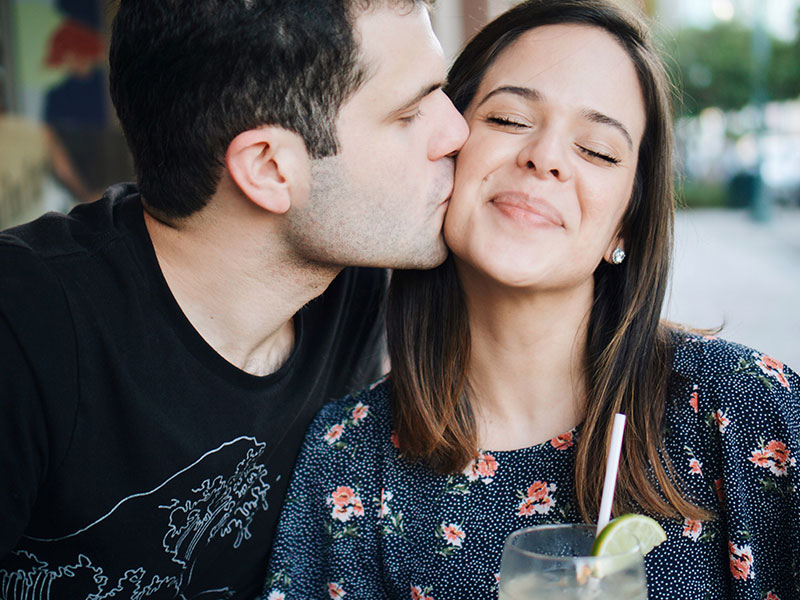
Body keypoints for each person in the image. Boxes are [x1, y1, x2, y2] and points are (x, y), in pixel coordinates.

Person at [263, 0, 800, 598]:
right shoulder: (345, 460)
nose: (544, 157)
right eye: (510, 119)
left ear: (625, 225)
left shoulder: (751, 413)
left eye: (597, 150)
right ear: (446, 146)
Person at [0, 0, 467, 598]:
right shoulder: (24, 331)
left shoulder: (353, 284)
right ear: (270, 167)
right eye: (410, 112)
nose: (457, 130)